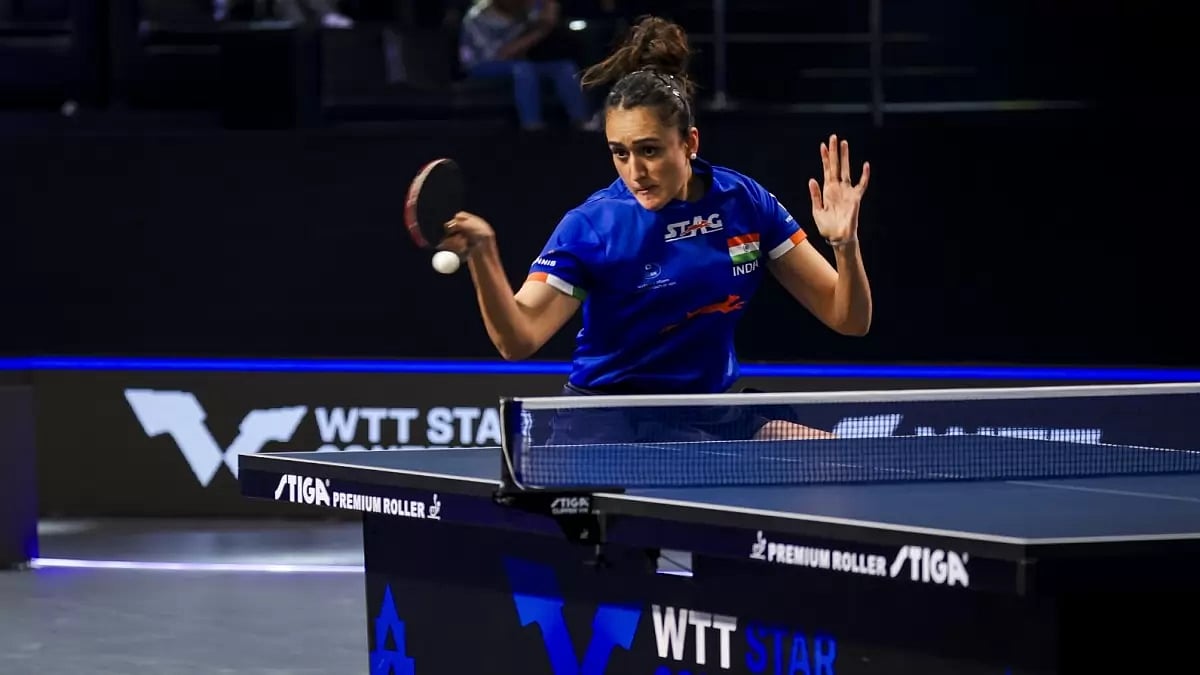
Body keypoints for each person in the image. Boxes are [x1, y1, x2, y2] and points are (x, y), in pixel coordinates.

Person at [440, 15, 872, 443]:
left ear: (689, 143)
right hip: (610, 422)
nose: (636, 171)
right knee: (706, 469)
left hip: (708, 412)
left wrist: (845, 245)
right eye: (620, 153)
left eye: (649, 150)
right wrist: (484, 254)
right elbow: (519, 338)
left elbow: (848, 318)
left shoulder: (745, 202)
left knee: (826, 455)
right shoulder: (593, 225)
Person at [458, 0, 599, 131]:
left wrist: (550, 10)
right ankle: (532, 126)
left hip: (516, 63)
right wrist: (539, 31)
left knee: (564, 67)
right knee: (523, 69)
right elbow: (498, 56)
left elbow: (545, 11)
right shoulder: (479, 17)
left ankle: (582, 122)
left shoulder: (523, 9)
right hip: (481, 65)